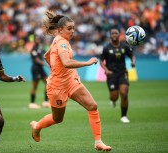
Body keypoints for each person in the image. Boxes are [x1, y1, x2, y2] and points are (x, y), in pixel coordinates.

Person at [30, 10, 111, 151]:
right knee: (57, 119)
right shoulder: (61, 42)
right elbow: (67, 62)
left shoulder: (61, 40)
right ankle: (37, 126)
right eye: (69, 29)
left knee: (92, 106)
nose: (72, 31)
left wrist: (53, 65)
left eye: (73, 28)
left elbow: (46, 55)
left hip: (71, 81)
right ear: (60, 30)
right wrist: (87, 63)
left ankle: (98, 142)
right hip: (57, 87)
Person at [100, 26, 135, 123]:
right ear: (110, 35)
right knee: (114, 96)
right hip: (111, 75)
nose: (114, 35)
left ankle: (124, 116)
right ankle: (113, 100)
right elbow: (101, 61)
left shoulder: (125, 46)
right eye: (112, 33)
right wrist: (106, 70)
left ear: (119, 35)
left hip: (122, 73)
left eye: (116, 33)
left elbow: (132, 56)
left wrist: (132, 62)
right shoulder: (106, 48)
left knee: (124, 93)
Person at [29, 35, 50, 109]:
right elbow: (36, 59)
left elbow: (46, 54)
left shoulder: (40, 48)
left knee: (48, 83)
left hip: (40, 69)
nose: (38, 40)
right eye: (36, 39)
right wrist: (45, 64)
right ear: (34, 41)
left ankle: (45, 102)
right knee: (35, 86)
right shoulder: (33, 49)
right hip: (36, 68)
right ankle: (32, 103)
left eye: (38, 39)